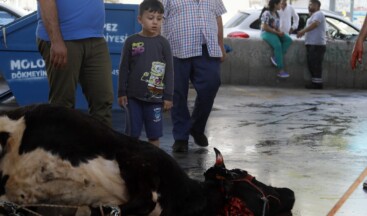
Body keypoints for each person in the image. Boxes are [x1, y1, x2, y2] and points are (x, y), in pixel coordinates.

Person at [161, 0, 227, 152]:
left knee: (211, 84)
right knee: (177, 92)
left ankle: (196, 127)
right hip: (176, 49)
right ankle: (181, 137)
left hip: (207, 48)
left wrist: (221, 45)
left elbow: (218, 18)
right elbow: (158, 18)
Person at [36, 0, 114, 127]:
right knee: (63, 106)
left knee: (103, 102)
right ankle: (61, 146)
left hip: (96, 37)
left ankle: (100, 146)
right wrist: (56, 40)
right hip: (64, 38)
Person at [118, 0, 173, 147]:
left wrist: (168, 96)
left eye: (159, 19)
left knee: (154, 135)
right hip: (133, 97)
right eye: (150, 18)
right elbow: (124, 68)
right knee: (132, 135)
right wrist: (122, 92)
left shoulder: (164, 43)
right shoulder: (131, 41)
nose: (155, 22)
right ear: (140, 19)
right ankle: (130, 163)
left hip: (156, 99)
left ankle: (154, 165)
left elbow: (169, 71)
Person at [297, 0, 326, 89]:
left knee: (315, 64)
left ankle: (317, 84)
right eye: (309, 5)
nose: (310, 6)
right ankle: (315, 82)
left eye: (312, 5)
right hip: (311, 44)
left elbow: (315, 24)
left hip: (317, 44)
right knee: (312, 64)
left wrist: (302, 31)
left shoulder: (319, 14)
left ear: (317, 6)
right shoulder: (312, 16)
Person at [260, 0, 292, 78]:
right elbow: (265, 27)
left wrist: (280, 32)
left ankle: (275, 57)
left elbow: (276, 27)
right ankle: (280, 70)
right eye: (279, 4)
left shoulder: (277, 14)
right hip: (266, 33)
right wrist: (277, 33)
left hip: (274, 32)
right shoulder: (267, 13)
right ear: (275, 4)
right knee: (278, 45)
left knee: (288, 40)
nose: (281, 5)